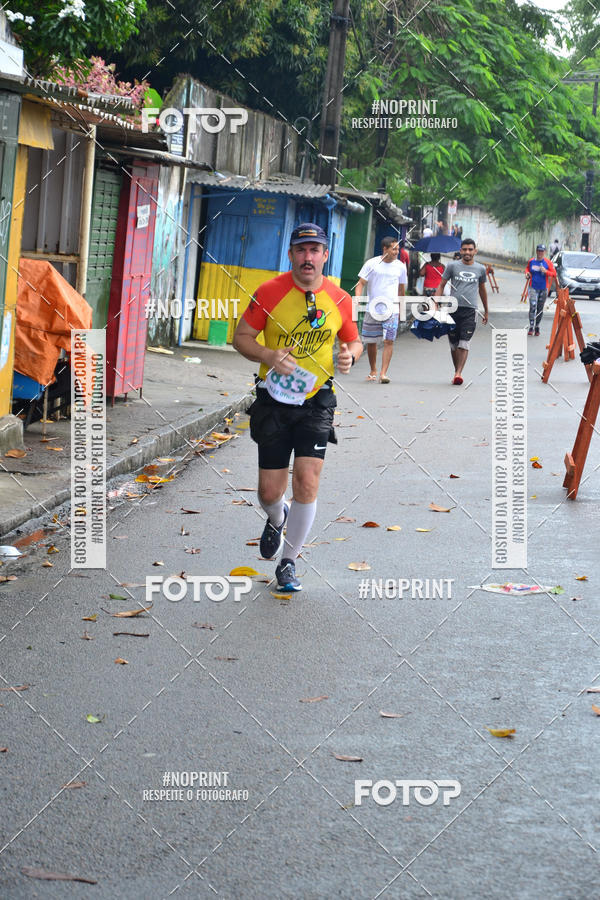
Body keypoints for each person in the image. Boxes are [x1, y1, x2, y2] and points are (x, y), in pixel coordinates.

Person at [233, 223, 362, 592]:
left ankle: (288, 563)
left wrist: (349, 356)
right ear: (291, 254)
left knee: (307, 480)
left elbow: (352, 343)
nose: (308, 257)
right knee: (270, 492)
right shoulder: (269, 293)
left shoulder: (339, 298)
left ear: (325, 255)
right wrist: (268, 355)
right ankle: (277, 516)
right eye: (301, 250)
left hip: (317, 400)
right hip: (273, 400)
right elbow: (240, 338)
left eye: (315, 250)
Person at [434, 238, 488, 385]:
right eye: (464, 249)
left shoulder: (480, 269)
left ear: (475, 251)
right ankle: (456, 371)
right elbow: (441, 285)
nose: (467, 252)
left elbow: (482, 290)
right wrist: (434, 303)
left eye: (470, 249)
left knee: (464, 343)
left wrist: (486, 310)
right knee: (453, 344)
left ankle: (458, 373)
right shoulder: (452, 266)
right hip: (452, 310)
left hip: (470, 311)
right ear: (460, 251)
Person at [355, 236, 407, 383]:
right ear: (385, 249)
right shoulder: (372, 264)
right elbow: (360, 284)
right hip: (372, 308)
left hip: (392, 310)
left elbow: (401, 289)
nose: (397, 251)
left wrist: (401, 309)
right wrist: (358, 299)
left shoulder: (401, 266)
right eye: (394, 248)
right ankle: (373, 370)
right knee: (371, 342)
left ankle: (383, 373)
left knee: (389, 341)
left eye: (398, 249)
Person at [525, 244, 556, 336]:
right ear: (536, 251)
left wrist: (546, 272)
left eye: (542, 251)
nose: (540, 253)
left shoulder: (547, 262)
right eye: (539, 251)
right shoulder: (531, 261)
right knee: (532, 306)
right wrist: (527, 274)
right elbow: (527, 269)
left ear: (545, 252)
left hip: (543, 288)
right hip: (533, 287)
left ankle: (537, 326)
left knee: (540, 309)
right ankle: (531, 326)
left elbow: (554, 274)